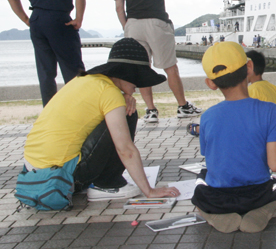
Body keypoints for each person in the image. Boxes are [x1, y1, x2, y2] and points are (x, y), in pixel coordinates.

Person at [22, 38, 180, 202]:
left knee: (122, 111)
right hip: (59, 177)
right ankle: (107, 184)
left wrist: (123, 96)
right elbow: (125, 149)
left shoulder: (83, 81)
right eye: (138, 79)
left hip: (33, 170)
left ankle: (99, 181)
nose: (138, 87)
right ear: (126, 73)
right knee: (128, 114)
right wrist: (149, 191)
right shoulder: (109, 93)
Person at [191, 41, 276, 233]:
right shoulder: (270, 111)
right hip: (257, 194)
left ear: (211, 83)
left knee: (201, 184)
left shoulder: (207, 117)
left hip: (218, 198)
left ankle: (215, 215)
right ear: (249, 67)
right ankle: (260, 212)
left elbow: (212, 159)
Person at [113, 0, 202, 123]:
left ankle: (151, 111)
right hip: (157, 22)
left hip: (133, 24)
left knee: (142, 69)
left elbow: (119, 8)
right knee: (170, 68)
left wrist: (126, 26)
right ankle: (182, 106)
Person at [6, 0, 86, 107]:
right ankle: (80, 108)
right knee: (73, 68)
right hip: (59, 19)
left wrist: (27, 20)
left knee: (46, 72)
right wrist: (78, 19)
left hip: (37, 20)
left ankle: (50, 113)